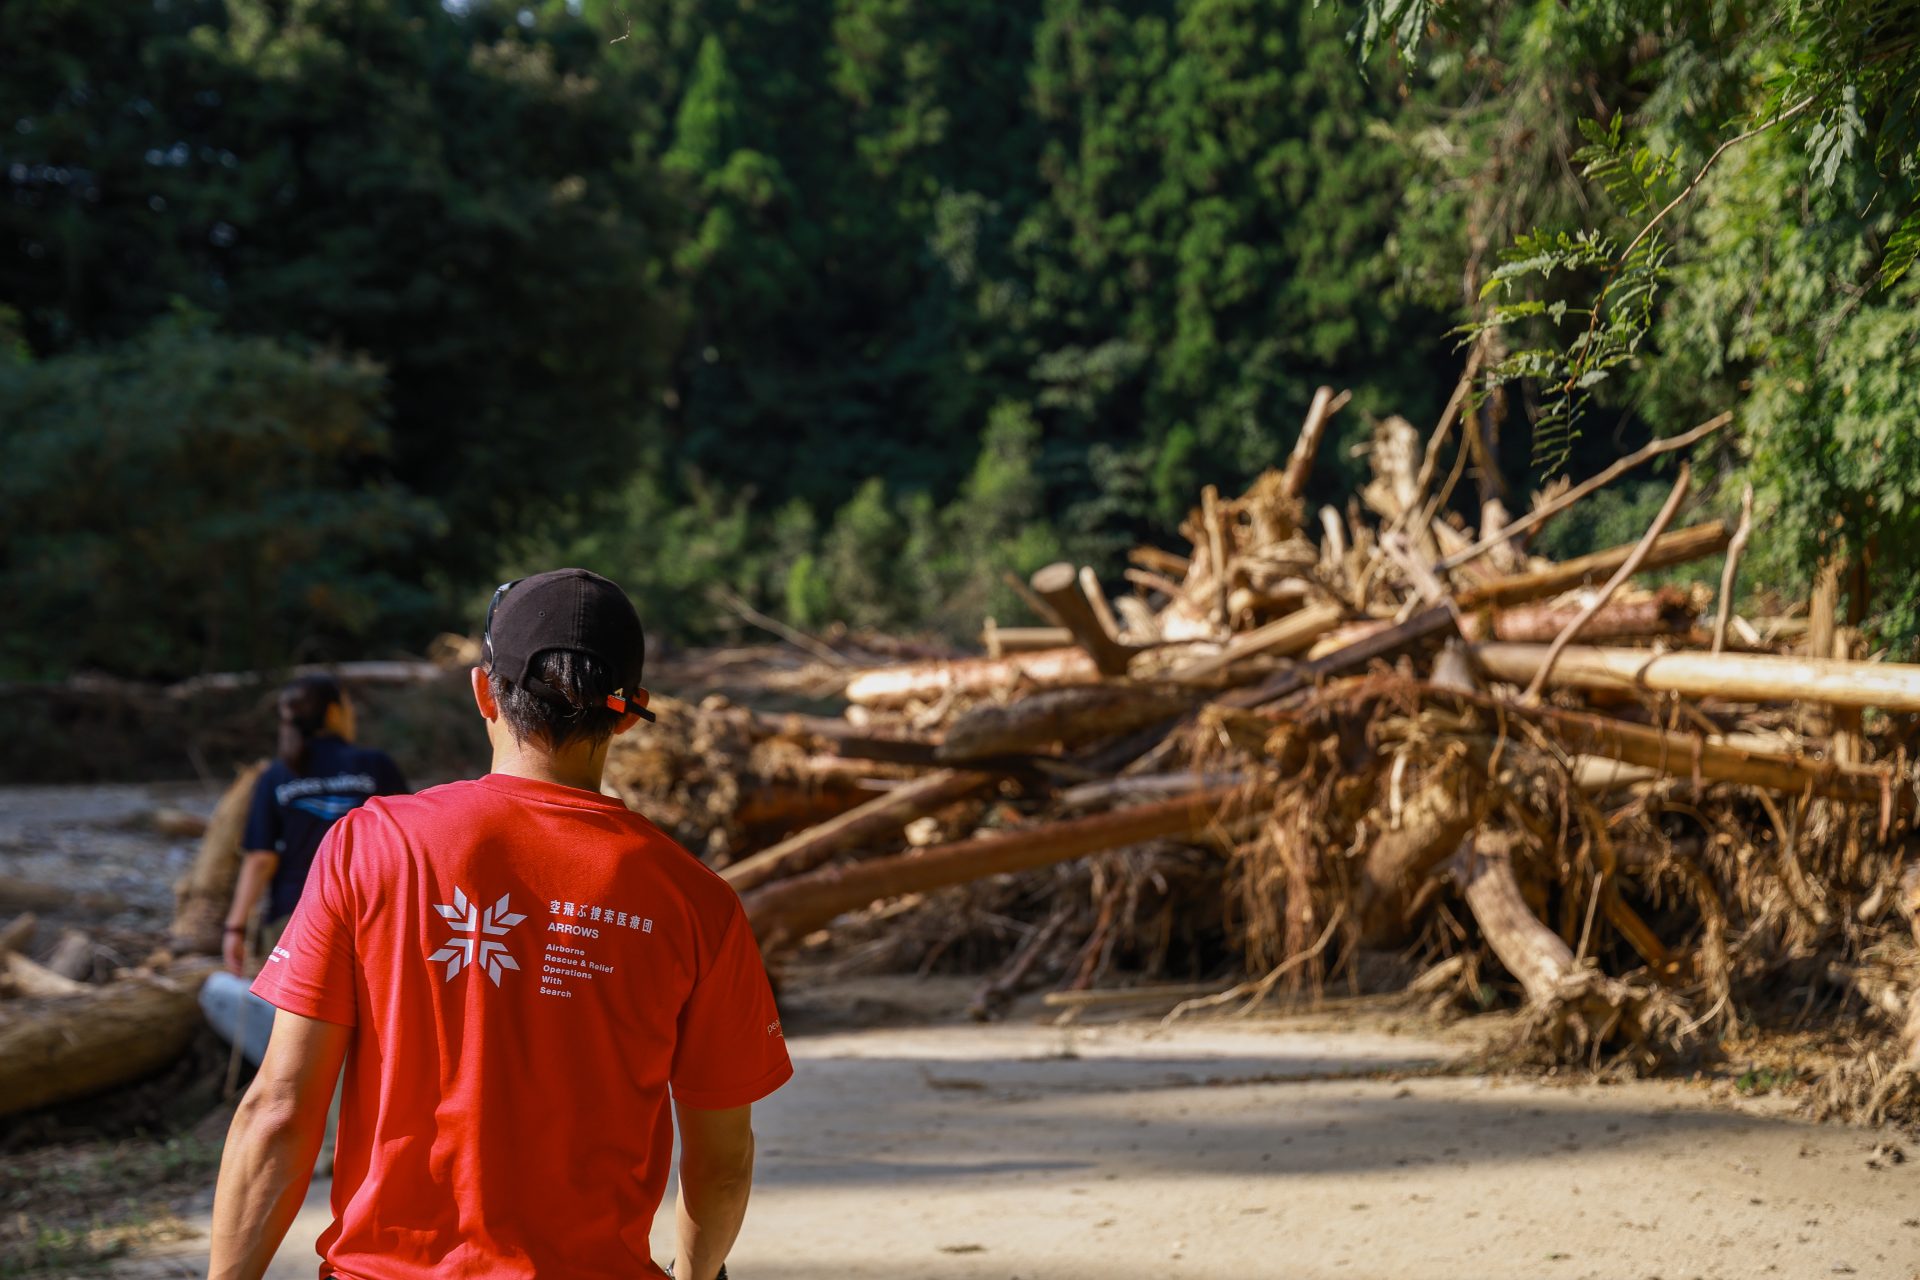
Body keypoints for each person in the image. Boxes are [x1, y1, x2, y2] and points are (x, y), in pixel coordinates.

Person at [208, 569, 791, 1280]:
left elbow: (277, 1111)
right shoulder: (695, 901)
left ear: (485, 690)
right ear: (631, 711)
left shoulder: (372, 844)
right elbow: (722, 1163)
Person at [224, 674, 409, 975]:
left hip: (294, 915)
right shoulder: (375, 765)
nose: (353, 715)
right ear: (334, 712)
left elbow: (260, 858)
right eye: (349, 705)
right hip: (369, 916)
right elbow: (406, 844)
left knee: (297, 1016)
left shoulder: (275, 775)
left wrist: (235, 927)